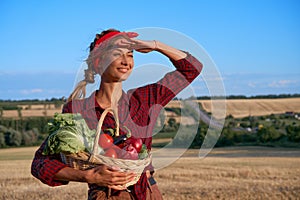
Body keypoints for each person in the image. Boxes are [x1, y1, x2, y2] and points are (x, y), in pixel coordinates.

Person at [31, 28, 203, 200]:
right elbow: (41, 163)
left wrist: (156, 46)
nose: (126, 61)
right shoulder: (78, 110)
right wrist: (89, 176)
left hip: (149, 192)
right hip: (108, 195)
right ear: (99, 62)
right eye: (117, 54)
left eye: (130, 55)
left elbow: (192, 69)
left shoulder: (144, 99)